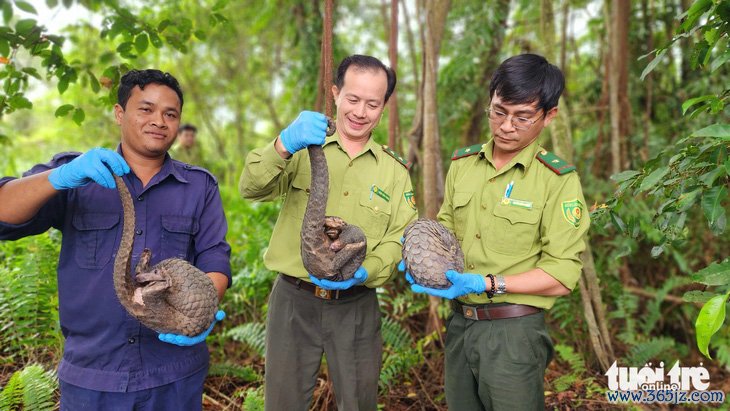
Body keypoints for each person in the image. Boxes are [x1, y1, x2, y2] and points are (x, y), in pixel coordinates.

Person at [0, 69, 231, 410]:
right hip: (92, 377)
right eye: (146, 109)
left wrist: (201, 309)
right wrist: (61, 177)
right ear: (120, 114)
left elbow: (214, 258)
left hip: (174, 374)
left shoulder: (199, 187)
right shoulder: (77, 174)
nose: (159, 121)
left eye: (171, 114)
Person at [402, 53, 589, 410]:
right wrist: (420, 251)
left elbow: (563, 276)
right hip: (460, 325)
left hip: (513, 334)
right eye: (499, 111)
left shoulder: (557, 181)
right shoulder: (463, 165)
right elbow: (447, 230)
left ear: (549, 116)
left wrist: (489, 283)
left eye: (522, 117)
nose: (505, 126)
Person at [240, 54, 417, 410]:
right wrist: (284, 143)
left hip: (356, 305)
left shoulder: (394, 171)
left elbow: (402, 236)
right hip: (294, 300)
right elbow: (251, 188)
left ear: (383, 107)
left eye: (372, 103)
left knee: (359, 402)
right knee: (283, 402)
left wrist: (369, 269)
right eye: (352, 99)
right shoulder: (304, 148)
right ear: (335, 93)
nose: (360, 111)